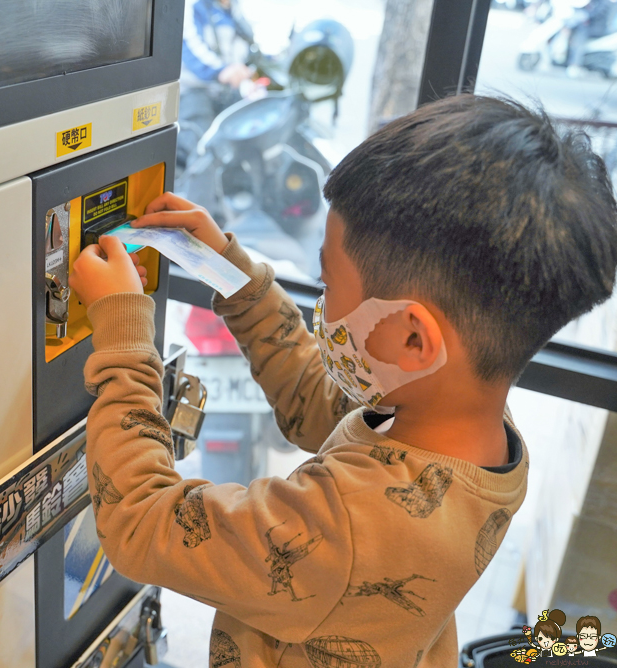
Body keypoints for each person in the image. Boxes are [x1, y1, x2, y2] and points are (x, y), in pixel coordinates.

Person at [68, 95, 617, 667]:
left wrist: (125, 335)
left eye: (328, 284)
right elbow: (316, 405)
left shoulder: (344, 527)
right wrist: (228, 273)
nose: (323, 305)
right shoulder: (470, 431)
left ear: (412, 339)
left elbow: (139, 521)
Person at [177, 0, 255, 170]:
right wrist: (221, 71)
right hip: (194, 92)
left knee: (249, 141)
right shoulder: (193, 6)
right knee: (203, 153)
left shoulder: (235, 10)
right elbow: (191, 46)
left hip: (226, 93)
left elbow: (248, 50)